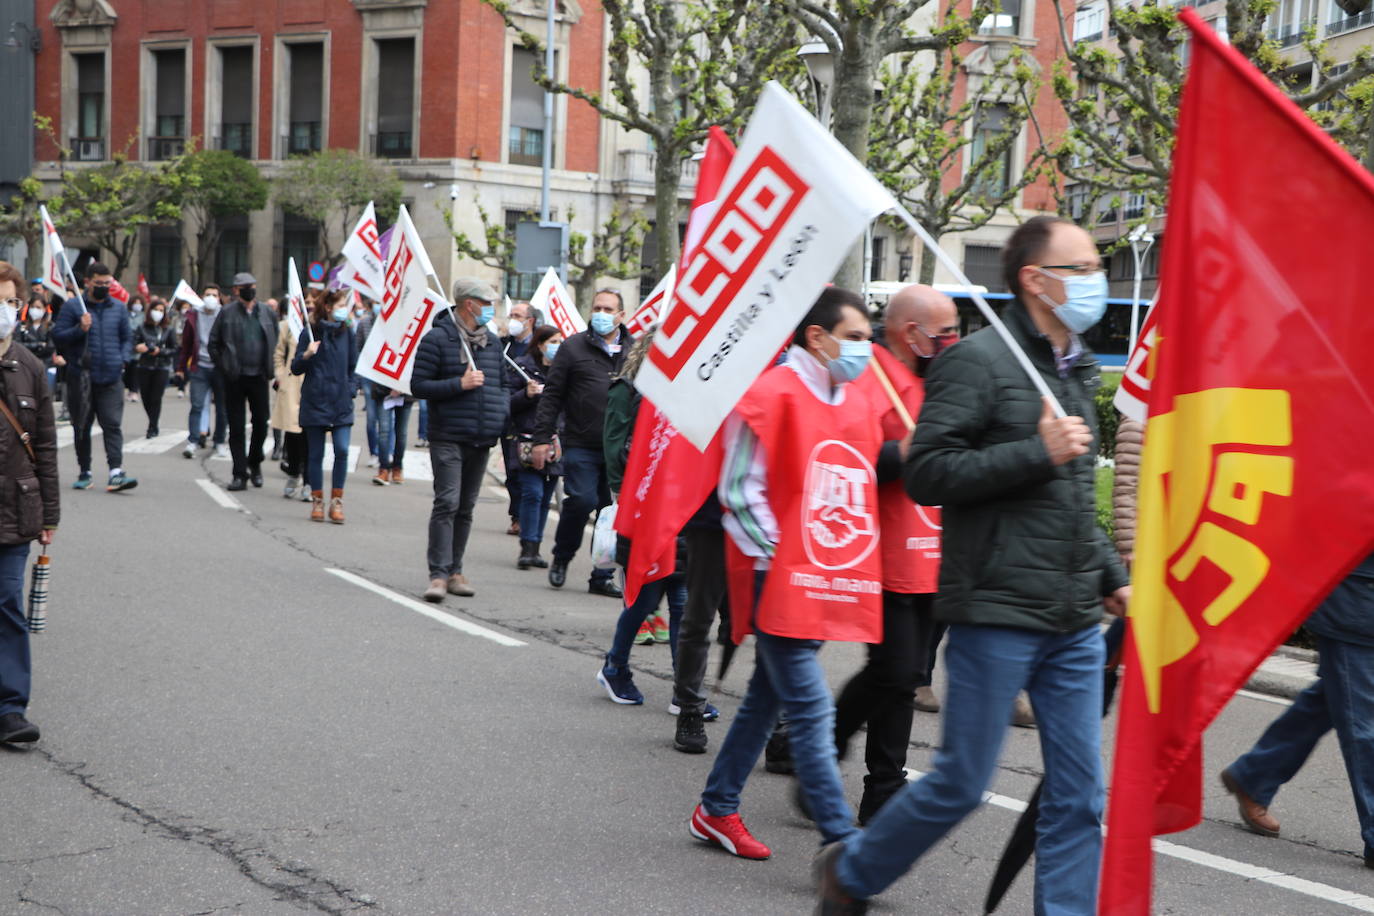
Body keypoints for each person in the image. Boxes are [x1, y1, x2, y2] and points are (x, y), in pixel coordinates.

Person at [815, 216, 1131, 915]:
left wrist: (1114, 579)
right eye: (1081, 269)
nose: (1096, 280)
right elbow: (928, 474)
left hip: (1074, 620)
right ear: (1035, 279)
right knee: (961, 783)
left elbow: (1071, 500)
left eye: (1096, 267)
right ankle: (853, 871)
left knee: (1079, 794)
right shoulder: (978, 362)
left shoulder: (1076, 367)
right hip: (995, 609)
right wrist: (1036, 452)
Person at [688, 287, 884, 862]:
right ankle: (842, 842)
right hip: (776, 575)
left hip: (826, 575)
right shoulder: (770, 394)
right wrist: (788, 554)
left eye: (869, 339)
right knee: (811, 709)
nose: (865, 350)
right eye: (854, 338)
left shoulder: (855, 399)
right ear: (816, 337)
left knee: (766, 700)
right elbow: (739, 492)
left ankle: (716, 808)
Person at [831, 284, 957, 826]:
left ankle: (834, 759)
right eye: (946, 332)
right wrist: (901, 453)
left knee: (902, 674)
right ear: (912, 333)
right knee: (897, 674)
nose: (953, 341)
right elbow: (842, 458)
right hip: (885, 556)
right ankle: (873, 779)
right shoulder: (868, 375)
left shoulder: (939, 381)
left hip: (936, 552)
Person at [1220, 555, 1374, 872]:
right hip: (1354, 601)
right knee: (1363, 725)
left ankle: (1254, 775)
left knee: (1329, 702)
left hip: (1360, 599)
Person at [594, 330, 689, 706]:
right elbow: (615, 448)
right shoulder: (628, 390)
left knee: (681, 600)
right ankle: (615, 667)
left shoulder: (689, 395)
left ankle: (686, 692)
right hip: (645, 506)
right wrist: (628, 496)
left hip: (681, 508)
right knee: (645, 598)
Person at [412, 278, 510, 602]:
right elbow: (419, 385)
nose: (491, 309)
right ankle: (438, 575)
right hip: (448, 435)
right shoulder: (438, 339)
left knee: (466, 507)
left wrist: (501, 413)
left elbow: (503, 385)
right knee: (447, 502)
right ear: (470, 304)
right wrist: (459, 384)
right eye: (487, 303)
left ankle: (456, 571)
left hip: (481, 437)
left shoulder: (491, 342)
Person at [530, 289, 630, 598]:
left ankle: (602, 574)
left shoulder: (634, 350)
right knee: (582, 501)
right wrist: (541, 439)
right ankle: (562, 556)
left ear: (621, 315)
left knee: (611, 511)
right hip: (581, 443)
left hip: (619, 449)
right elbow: (552, 395)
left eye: (608, 309)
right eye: (597, 307)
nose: (601, 314)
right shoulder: (573, 347)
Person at [0, 261, 60, 745]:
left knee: (7, 604)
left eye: (10, 301)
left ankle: (10, 708)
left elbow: (45, 445)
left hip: (16, 509)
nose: (4, 310)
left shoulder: (31, 367)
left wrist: (50, 515)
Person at [51, 263, 137, 493]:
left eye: (107, 283)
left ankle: (116, 472)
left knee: (112, 425)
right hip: (81, 378)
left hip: (111, 378)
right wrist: (80, 329)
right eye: (99, 283)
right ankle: (84, 472)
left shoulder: (118, 308)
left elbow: (127, 338)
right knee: (81, 426)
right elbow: (58, 336)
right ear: (88, 282)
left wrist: (122, 359)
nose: (104, 287)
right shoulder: (73, 307)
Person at [209, 272, 278, 491]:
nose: (249, 290)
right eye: (244, 287)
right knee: (236, 427)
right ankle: (239, 474)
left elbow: (276, 341)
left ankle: (254, 462)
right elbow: (213, 344)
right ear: (236, 290)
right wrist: (225, 366)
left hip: (259, 376)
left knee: (261, 423)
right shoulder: (226, 313)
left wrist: (272, 369)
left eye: (252, 286)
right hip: (235, 378)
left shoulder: (267, 312)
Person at [291, 291, 356, 524]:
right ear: (328, 307)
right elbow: (295, 368)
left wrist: (351, 388)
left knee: (342, 450)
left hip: (341, 402)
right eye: (340, 305)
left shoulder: (347, 332)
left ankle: (337, 502)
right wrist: (307, 355)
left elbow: (353, 366)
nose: (344, 309)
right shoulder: (310, 332)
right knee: (315, 454)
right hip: (315, 401)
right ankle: (317, 501)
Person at [506, 325, 561, 569]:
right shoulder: (521, 367)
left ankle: (536, 547)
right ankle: (527, 547)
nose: (557, 347)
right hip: (526, 441)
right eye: (553, 342)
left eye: (560, 342)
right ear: (540, 344)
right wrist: (526, 395)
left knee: (545, 497)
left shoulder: (564, 370)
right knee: (532, 493)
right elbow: (507, 403)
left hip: (555, 442)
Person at [175, 286, 228, 459]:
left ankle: (219, 442)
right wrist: (181, 368)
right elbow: (186, 345)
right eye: (207, 294)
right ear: (202, 297)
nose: (211, 297)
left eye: (214, 295)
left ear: (219, 298)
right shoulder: (193, 315)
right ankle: (193, 441)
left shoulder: (225, 315)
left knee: (222, 408)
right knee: (197, 406)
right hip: (199, 367)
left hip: (220, 369)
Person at [500, 300, 536, 535]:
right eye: (511, 315)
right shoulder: (503, 346)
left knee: (529, 472)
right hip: (509, 417)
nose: (513, 319)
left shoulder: (539, 348)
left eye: (518, 316)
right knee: (512, 469)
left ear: (530, 321)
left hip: (532, 418)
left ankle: (529, 517)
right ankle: (517, 516)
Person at [272, 304, 307, 500]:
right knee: (292, 432)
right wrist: (280, 376)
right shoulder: (287, 326)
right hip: (291, 384)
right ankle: (294, 473)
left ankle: (309, 480)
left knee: (311, 433)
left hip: (313, 385)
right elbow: (278, 353)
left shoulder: (319, 327)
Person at [132, 299, 176, 438]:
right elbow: (134, 343)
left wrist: (160, 351)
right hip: (144, 366)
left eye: (161, 310)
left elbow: (174, 349)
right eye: (156, 310)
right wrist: (139, 347)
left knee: (156, 398)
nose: (158, 313)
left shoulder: (168, 329)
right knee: (146, 397)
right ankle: (153, 421)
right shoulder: (142, 327)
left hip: (161, 367)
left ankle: (152, 426)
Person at [372, 379, 415, 486]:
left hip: (405, 392)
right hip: (383, 390)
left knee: (401, 433)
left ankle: (397, 467)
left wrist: (401, 387)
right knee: (384, 431)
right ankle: (383, 469)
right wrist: (390, 387)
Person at [16, 297, 56, 397]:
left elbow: (50, 348)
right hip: (25, 366)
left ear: (44, 309)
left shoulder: (50, 326)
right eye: (33, 307)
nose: (35, 310)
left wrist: (31, 347)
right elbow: (18, 345)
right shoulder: (22, 326)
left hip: (45, 365)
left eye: (38, 307)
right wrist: (39, 345)